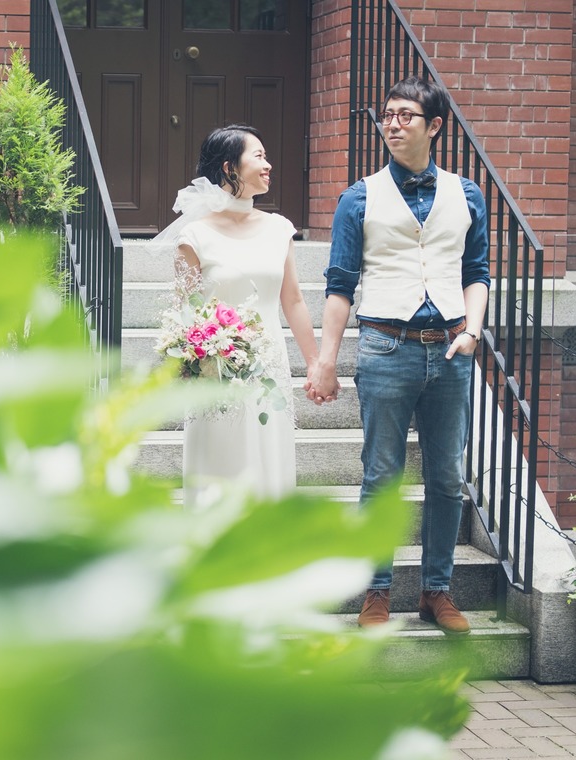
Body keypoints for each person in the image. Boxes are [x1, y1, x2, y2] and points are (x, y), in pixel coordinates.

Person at [307, 77, 490, 634]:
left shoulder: (468, 194)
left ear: (434, 126)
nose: (392, 123)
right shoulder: (359, 196)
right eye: (387, 115)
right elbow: (340, 285)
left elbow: (476, 276)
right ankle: (377, 592)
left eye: (406, 115)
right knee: (380, 476)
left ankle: (437, 592)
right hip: (387, 346)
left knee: (445, 476)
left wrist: (473, 332)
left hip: (452, 351)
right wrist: (325, 358)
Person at [161, 124, 321, 508]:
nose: (269, 165)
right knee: (220, 467)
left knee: (269, 465)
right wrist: (198, 357)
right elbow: (184, 311)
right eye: (259, 156)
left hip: (269, 369)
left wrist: (315, 362)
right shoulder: (194, 236)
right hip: (216, 374)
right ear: (231, 168)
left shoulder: (279, 229)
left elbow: (294, 300)